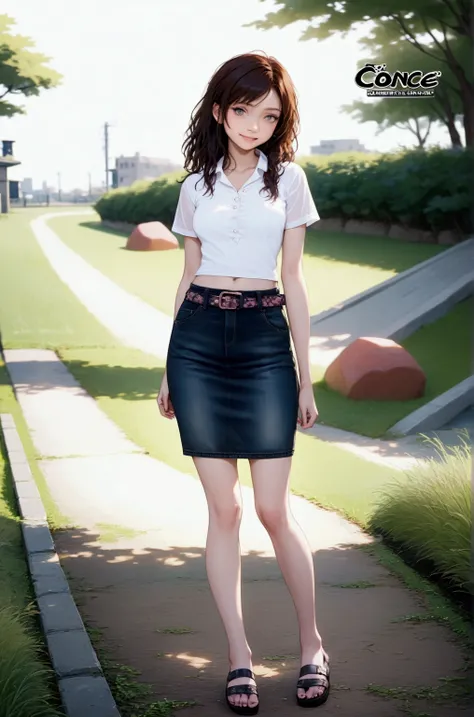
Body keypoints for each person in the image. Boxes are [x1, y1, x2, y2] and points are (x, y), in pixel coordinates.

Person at [157, 51, 330, 714]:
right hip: (198, 340)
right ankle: (239, 656)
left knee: (272, 509)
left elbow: (295, 280)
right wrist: (169, 364)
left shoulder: (287, 181)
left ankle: (311, 644)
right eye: (243, 110)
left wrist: (305, 377)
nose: (255, 125)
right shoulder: (194, 187)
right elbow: (186, 276)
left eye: (269, 115)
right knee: (223, 510)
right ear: (218, 109)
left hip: (263, 342)